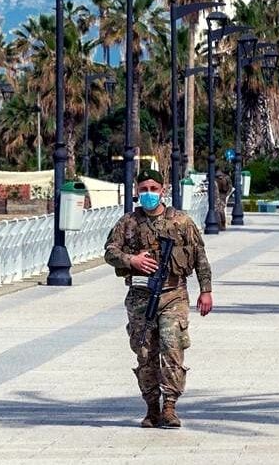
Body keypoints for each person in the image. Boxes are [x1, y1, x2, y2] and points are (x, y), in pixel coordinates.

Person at [104, 168, 213, 428]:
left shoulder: (181, 222)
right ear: (137, 191)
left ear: (162, 190)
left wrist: (206, 291)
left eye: (153, 189)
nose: (149, 194)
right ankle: (152, 408)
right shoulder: (128, 223)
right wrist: (132, 260)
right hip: (141, 299)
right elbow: (109, 252)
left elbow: (200, 257)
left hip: (174, 295)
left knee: (172, 350)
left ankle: (170, 407)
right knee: (145, 353)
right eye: (144, 189)